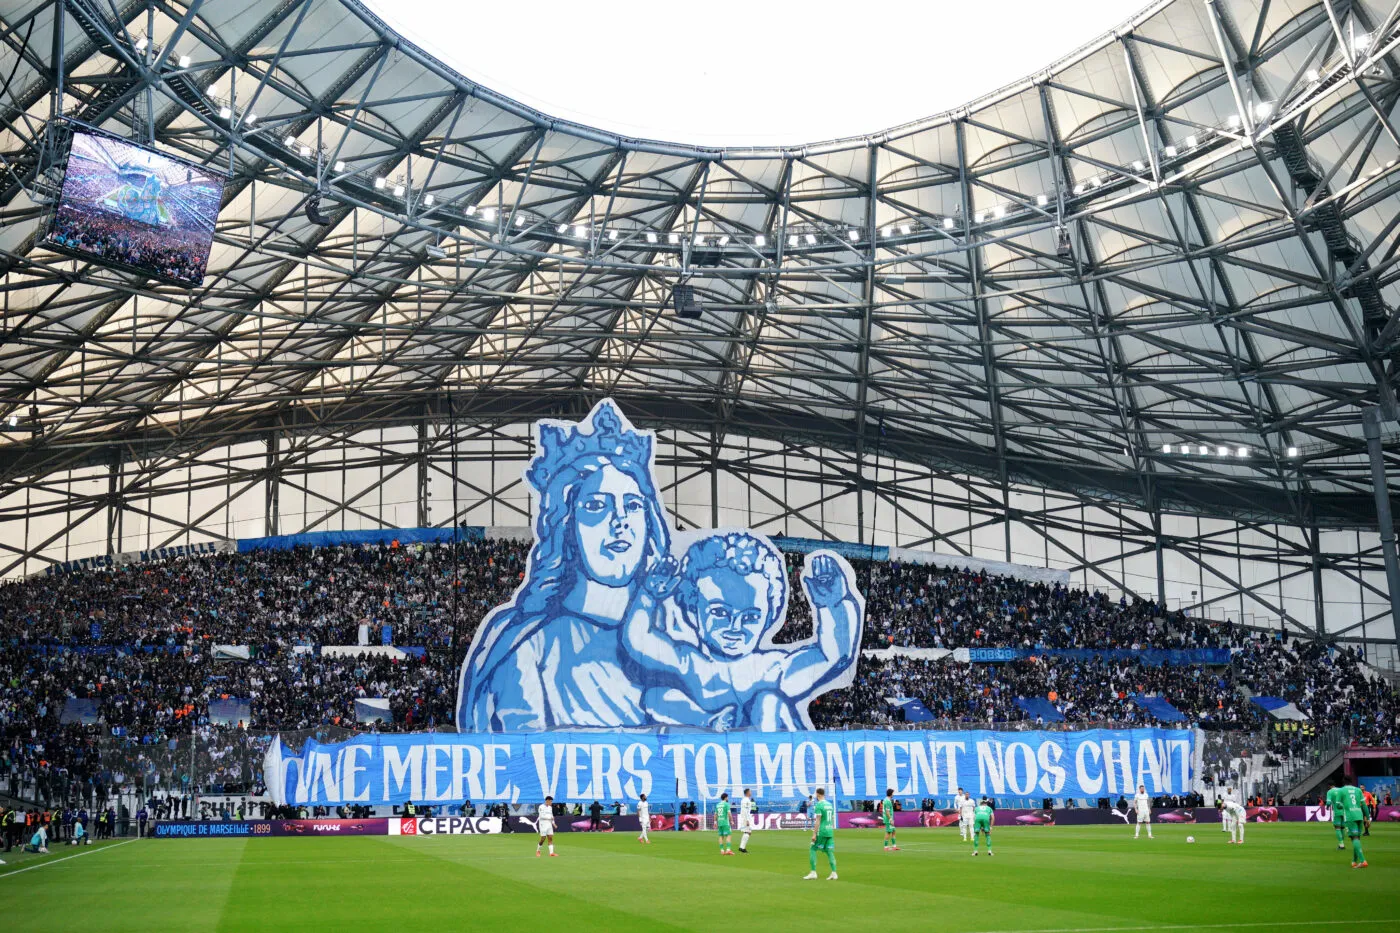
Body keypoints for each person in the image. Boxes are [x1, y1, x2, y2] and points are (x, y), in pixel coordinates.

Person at [621, 537, 863, 731]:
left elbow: (832, 656)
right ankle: (709, 723)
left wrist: (834, 605)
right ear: (693, 609)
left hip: (770, 760)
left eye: (750, 617)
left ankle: (780, 779)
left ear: (768, 617)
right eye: (719, 612)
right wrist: (647, 595)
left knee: (767, 703)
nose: (735, 626)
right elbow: (637, 640)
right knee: (657, 696)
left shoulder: (770, 668)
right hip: (712, 754)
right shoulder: (689, 663)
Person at [803, 787, 837, 880]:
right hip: (830, 831)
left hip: (822, 831)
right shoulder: (830, 805)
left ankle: (813, 872)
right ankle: (834, 873)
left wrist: (814, 834)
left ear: (818, 794)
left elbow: (817, 821)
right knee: (830, 852)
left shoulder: (819, 805)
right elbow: (832, 818)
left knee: (812, 848)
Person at [1338, 783, 1368, 868]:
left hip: (1350, 817)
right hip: (1359, 815)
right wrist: (1368, 818)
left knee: (1354, 838)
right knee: (1357, 839)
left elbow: (1337, 805)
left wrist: (1343, 805)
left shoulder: (1341, 790)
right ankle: (1354, 861)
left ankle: (1363, 861)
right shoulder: (1358, 790)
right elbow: (1364, 805)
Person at [1325, 781, 1347, 851]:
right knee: (1342, 827)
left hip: (1337, 811)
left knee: (1337, 828)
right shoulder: (1341, 790)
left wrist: (1327, 807)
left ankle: (1341, 845)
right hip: (1344, 811)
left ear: (1329, 786)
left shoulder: (1330, 792)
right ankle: (1341, 844)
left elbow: (1328, 802)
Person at [738, 788, 755, 854]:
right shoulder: (746, 800)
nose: (751, 793)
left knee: (747, 832)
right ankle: (742, 848)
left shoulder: (744, 800)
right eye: (750, 791)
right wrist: (747, 820)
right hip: (745, 818)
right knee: (748, 832)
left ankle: (741, 847)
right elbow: (746, 810)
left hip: (744, 817)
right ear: (747, 792)